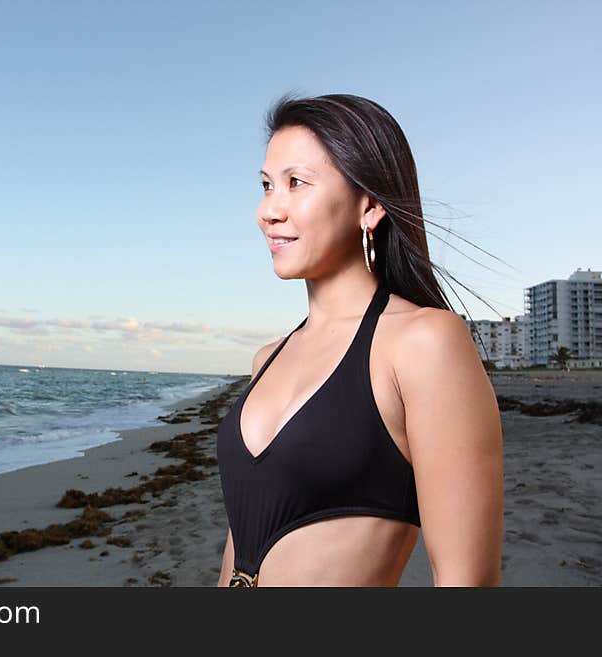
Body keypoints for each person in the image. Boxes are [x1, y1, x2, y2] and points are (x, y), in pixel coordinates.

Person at [215, 93, 504, 587]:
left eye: (296, 183)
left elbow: (467, 582)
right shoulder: (267, 359)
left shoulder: (424, 343)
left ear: (368, 205)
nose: (268, 210)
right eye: (266, 186)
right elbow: (240, 543)